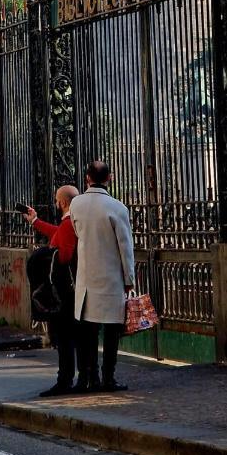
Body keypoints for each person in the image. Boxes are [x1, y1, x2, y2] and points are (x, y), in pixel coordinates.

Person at [70, 160, 135, 393]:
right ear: (110, 178)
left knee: (88, 332)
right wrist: (129, 279)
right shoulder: (118, 208)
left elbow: (78, 233)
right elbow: (125, 248)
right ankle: (109, 377)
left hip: (86, 278)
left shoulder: (76, 204)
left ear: (87, 178)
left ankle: (90, 376)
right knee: (111, 333)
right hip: (111, 279)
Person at [24, 185, 79, 396]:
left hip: (63, 291)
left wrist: (48, 255)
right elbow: (56, 232)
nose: (56, 204)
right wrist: (35, 222)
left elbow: (63, 256)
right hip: (71, 289)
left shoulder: (69, 224)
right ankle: (72, 378)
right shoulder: (71, 224)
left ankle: (65, 380)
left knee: (64, 338)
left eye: (57, 200)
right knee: (69, 338)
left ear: (63, 202)